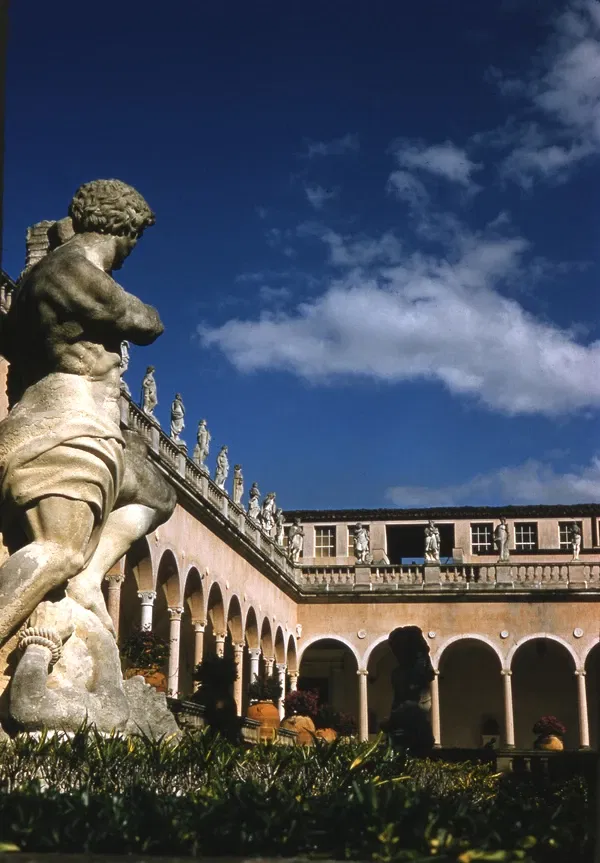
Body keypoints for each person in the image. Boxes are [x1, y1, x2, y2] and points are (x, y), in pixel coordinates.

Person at [0, 179, 176, 642]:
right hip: (65, 420)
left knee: (159, 495)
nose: (131, 250)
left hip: (90, 422)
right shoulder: (70, 271)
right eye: (134, 238)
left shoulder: (60, 269)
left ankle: (86, 579)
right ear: (126, 230)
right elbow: (147, 323)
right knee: (58, 549)